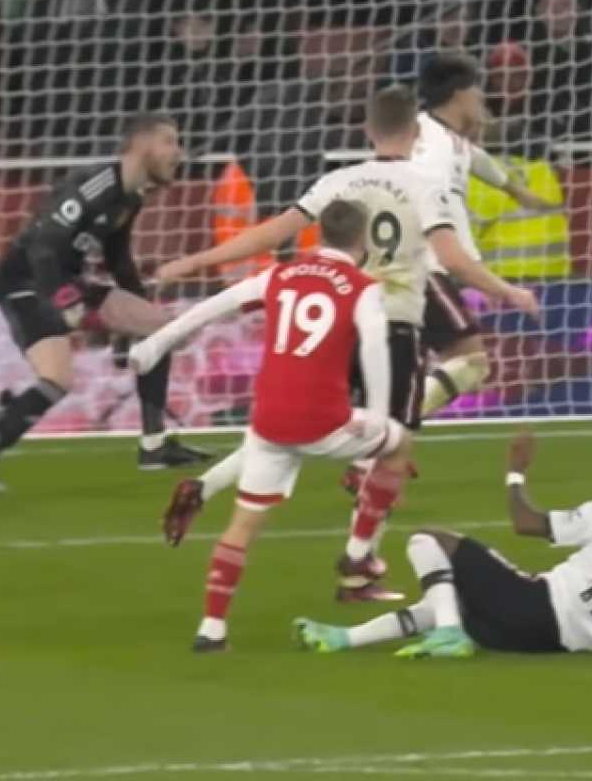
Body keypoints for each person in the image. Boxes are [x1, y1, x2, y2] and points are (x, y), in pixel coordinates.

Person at [142, 86, 540, 600]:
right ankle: (357, 566)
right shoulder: (424, 185)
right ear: (416, 134)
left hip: (337, 317)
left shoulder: (338, 181)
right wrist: (508, 291)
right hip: (392, 324)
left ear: (366, 130)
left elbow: (272, 233)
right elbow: (452, 258)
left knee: (293, 432)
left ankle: (205, 486)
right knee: (394, 445)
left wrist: (194, 262)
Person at [156, 202, 412, 653]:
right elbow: (375, 345)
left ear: (319, 234)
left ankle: (211, 629)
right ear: (363, 240)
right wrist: (376, 412)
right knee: (398, 442)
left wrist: (157, 343)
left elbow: (213, 309)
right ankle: (358, 557)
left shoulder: (280, 273)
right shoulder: (362, 287)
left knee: (242, 526)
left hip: (269, 422)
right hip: (326, 423)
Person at [294, 429, 592, 659]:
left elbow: (525, 523)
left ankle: (450, 636)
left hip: (535, 605)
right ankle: (341, 639)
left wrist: (516, 471)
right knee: (449, 600)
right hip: (553, 644)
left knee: (429, 539)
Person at [0, 112, 207, 494]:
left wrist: (137, 307)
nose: (179, 153)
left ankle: (154, 447)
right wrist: (67, 303)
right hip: (26, 282)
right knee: (57, 379)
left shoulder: (129, 197)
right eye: (170, 141)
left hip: (66, 281)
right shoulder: (95, 184)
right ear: (141, 144)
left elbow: (118, 260)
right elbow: (42, 248)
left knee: (161, 328)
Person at [409, 56, 558, 419]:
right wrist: (503, 288)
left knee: (454, 364)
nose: (482, 96)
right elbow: (444, 238)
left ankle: (388, 427)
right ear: (458, 94)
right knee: (470, 362)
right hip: (418, 269)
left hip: (404, 269)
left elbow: (475, 159)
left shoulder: (437, 136)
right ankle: (391, 429)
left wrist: (516, 191)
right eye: (476, 88)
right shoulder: (435, 156)